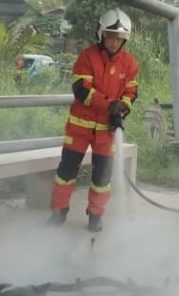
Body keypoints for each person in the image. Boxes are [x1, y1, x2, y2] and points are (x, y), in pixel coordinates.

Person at [47, 8, 139, 232]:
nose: (114, 42)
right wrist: (109, 105)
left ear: (124, 39)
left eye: (119, 38)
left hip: (106, 131)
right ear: (101, 34)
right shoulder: (87, 57)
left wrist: (122, 110)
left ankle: (95, 215)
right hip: (79, 128)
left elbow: (131, 92)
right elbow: (82, 89)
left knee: (102, 177)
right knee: (66, 172)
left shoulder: (129, 64)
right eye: (110, 36)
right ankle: (59, 211)